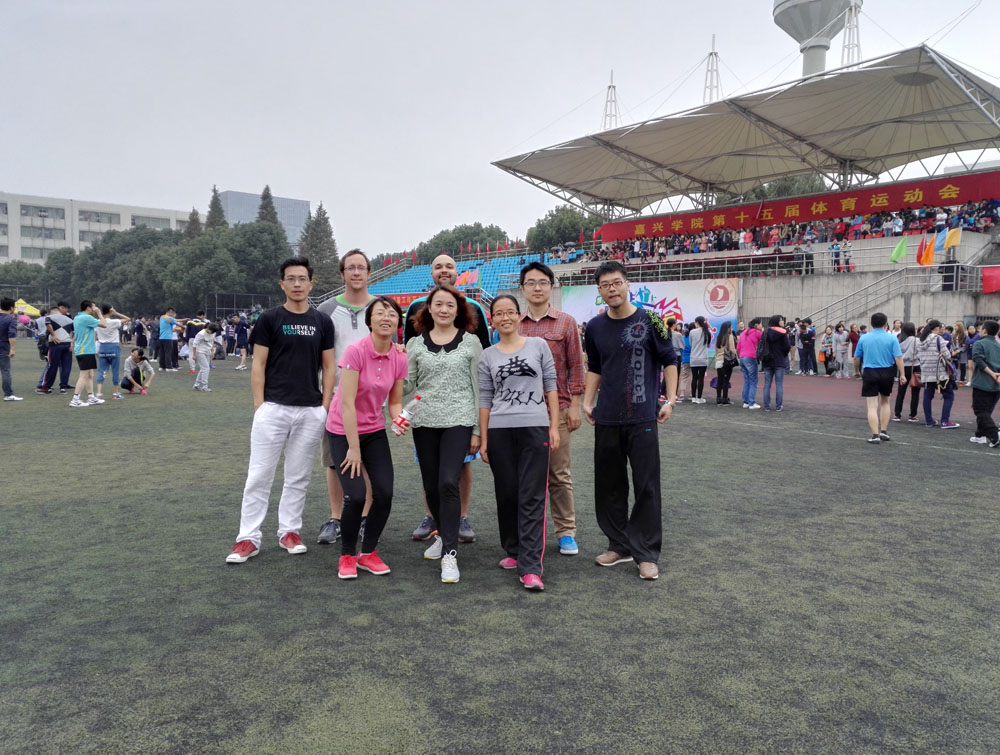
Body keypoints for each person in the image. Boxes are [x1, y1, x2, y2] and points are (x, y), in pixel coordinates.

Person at [225, 257, 336, 564]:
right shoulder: (270, 319)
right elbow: (258, 364)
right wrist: (260, 406)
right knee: (259, 476)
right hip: (273, 408)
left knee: (298, 476)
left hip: (310, 410)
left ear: (311, 284)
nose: (297, 284)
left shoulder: (322, 322)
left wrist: (324, 407)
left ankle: (289, 531)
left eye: (302, 279)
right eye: (291, 279)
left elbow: (329, 367)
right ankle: (248, 538)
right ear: (282, 284)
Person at [582, 261, 678, 581]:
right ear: (599, 290)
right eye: (605, 285)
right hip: (607, 417)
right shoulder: (594, 327)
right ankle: (619, 545)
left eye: (616, 282)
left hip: (643, 416)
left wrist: (670, 400)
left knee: (646, 485)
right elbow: (595, 367)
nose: (612, 289)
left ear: (627, 284)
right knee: (609, 486)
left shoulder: (652, 320)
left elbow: (670, 360)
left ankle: (646, 553)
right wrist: (587, 402)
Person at [403, 254, 490, 543]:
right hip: (426, 415)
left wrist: (477, 427)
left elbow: (482, 365)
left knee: (457, 470)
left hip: (461, 413)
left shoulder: (474, 310)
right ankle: (433, 518)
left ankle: (460, 518)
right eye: (438, 266)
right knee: (431, 475)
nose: (444, 270)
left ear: (456, 271)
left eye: (449, 266)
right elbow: (408, 372)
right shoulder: (415, 310)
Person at [479, 295, 559, 592]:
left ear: (519, 315)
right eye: (499, 313)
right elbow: (485, 398)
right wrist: (484, 438)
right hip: (500, 430)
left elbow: (550, 385)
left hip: (534, 427)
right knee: (507, 494)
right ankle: (513, 550)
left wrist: (553, 426)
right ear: (492, 319)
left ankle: (530, 566)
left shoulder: (538, 346)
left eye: (510, 312)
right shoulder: (487, 355)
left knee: (531, 496)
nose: (505, 317)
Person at [325, 297, 409, 580]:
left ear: (398, 323)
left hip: (374, 430)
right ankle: (347, 555)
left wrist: (398, 419)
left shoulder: (399, 356)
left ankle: (368, 552)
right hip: (342, 430)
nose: (386, 318)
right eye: (380, 313)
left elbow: (394, 402)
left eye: (392, 314)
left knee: (384, 493)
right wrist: (353, 448)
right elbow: (347, 403)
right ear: (369, 321)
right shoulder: (356, 351)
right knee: (357, 495)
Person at [518, 262, 586, 556]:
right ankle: (527, 533)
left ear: (551, 286)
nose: (537, 288)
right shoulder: (513, 323)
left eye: (543, 282)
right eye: (531, 283)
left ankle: (566, 532)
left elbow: (576, 366)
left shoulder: (566, 322)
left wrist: (575, 406)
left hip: (556, 411)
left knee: (559, 475)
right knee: (524, 477)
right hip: (520, 413)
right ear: (522, 288)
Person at [316, 249, 377, 546]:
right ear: (342, 274)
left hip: (371, 400)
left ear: (368, 273)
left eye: (361, 267)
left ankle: (365, 517)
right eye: (350, 268)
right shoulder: (326, 309)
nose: (356, 272)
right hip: (335, 399)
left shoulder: (380, 307)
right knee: (334, 461)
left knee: (367, 460)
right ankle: (336, 518)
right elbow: (319, 355)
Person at [853, 313, 906, 444]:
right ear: (886, 324)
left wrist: (856, 371)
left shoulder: (864, 338)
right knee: (885, 402)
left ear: (871, 324)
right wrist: (902, 374)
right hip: (887, 372)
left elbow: (856, 358)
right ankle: (884, 431)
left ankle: (875, 435)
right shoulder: (892, 338)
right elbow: (898, 358)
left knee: (872, 406)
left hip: (870, 372)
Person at [915, 319, 959, 429]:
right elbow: (948, 355)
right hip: (940, 374)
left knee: (927, 396)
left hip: (926, 372)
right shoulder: (939, 339)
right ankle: (945, 421)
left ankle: (929, 421)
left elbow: (917, 356)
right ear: (936, 328)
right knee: (949, 395)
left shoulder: (920, 340)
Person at [70, 301, 108, 407]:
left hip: (86, 350)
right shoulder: (86, 318)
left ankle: (91, 397)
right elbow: (104, 324)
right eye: (93, 306)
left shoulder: (78, 317)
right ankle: (75, 399)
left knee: (90, 374)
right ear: (88, 308)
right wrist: (99, 313)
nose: (95, 308)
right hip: (85, 350)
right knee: (84, 375)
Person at [969, 320, 1000, 447]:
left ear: (985, 331)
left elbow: (978, 360)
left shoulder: (979, 343)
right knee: (986, 411)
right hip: (996, 384)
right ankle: (980, 435)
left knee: (980, 411)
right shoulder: (998, 345)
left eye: (981, 328)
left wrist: (992, 373)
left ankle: (995, 435)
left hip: (982, 383)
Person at [94, 305, 130, 401]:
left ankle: (98, 393)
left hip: (102, 347)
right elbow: (127, 319)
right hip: (113, 347)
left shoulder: (97, 322)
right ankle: (115, 393)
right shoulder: (114, 322)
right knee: (115, 371)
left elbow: (95, 335)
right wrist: (116, 313)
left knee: (101, 371)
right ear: (110, 311)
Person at [39, 303, 74, 394]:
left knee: (52, 366)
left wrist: (53, 335)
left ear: (52, 311)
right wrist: (72, 343)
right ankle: (63, 387)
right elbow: (74, 332)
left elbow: (48, 325)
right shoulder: (70, 319)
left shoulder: (50, 317)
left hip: (55, 344)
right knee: (66, 366)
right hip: (67, 343)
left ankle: (47, 387)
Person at [892, 322, 922, 422]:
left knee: (901, 391)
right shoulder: (917, 340)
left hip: (903, 367)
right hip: (915, 366)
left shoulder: (899, 340)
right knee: (915, 392)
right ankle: (913, 415)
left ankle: (897, 414)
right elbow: (919, 353)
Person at [760, 315, 791, 412]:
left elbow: (762, 345)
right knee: (779, 384)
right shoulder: (783, 332)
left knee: (767, 384)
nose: (783, 321)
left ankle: (767, 406)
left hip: (767, 360)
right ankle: (778, 406)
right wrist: (783, 354)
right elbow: (787, 346)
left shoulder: (766, 331)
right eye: (781, 320)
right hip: (779, 360)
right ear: (777, 321)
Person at [736, 318, 762, 409]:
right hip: (751, 357)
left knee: (747, 380)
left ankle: (746, 401)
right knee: (753, 381)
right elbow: (763, 341)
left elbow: (738, 347)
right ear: (756, 325)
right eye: (760, 324)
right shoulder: (757, 332)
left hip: (742, 357)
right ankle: (751, 402)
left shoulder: (743, 333)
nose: (761, 326)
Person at [0, 298, 22, 402]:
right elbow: (11, 334)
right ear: (11, 308)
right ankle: (8, 395)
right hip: (3, 347)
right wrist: (12, 349)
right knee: (5, 371)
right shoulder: (11, 318)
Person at [688, 316, 711, 403]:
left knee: (694, 378)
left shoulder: (692, 332)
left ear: (697, 322)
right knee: (701, 378)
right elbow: (708, 345)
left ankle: (693, 397)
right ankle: (699, 397)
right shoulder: (707, 332)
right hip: (703, 358)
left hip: (694, 357)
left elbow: (691, 344)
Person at [713, 320, 737, 405]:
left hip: (719, 361)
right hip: (726, 361)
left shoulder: (718, 337)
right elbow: (732, 349)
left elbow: (716, 350)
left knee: (720, 380)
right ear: (728, 328)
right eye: (731, 327)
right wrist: (735, 357)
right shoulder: (730, 337)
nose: (731, 329)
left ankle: (718, 398)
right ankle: (725, 399)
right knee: (726, 380)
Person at [192, 323, 220, 391]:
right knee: (206, 368)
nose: (212, 333)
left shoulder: (213, 333)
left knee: (203, 369)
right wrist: (194, 355)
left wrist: (212, 352)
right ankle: (204, 386)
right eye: (211, 331)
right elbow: (194, 344)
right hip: (200, 351)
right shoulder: (201, 334)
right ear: (208, 328)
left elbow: (212, 342)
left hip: (207, 352)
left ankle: (196, 385)